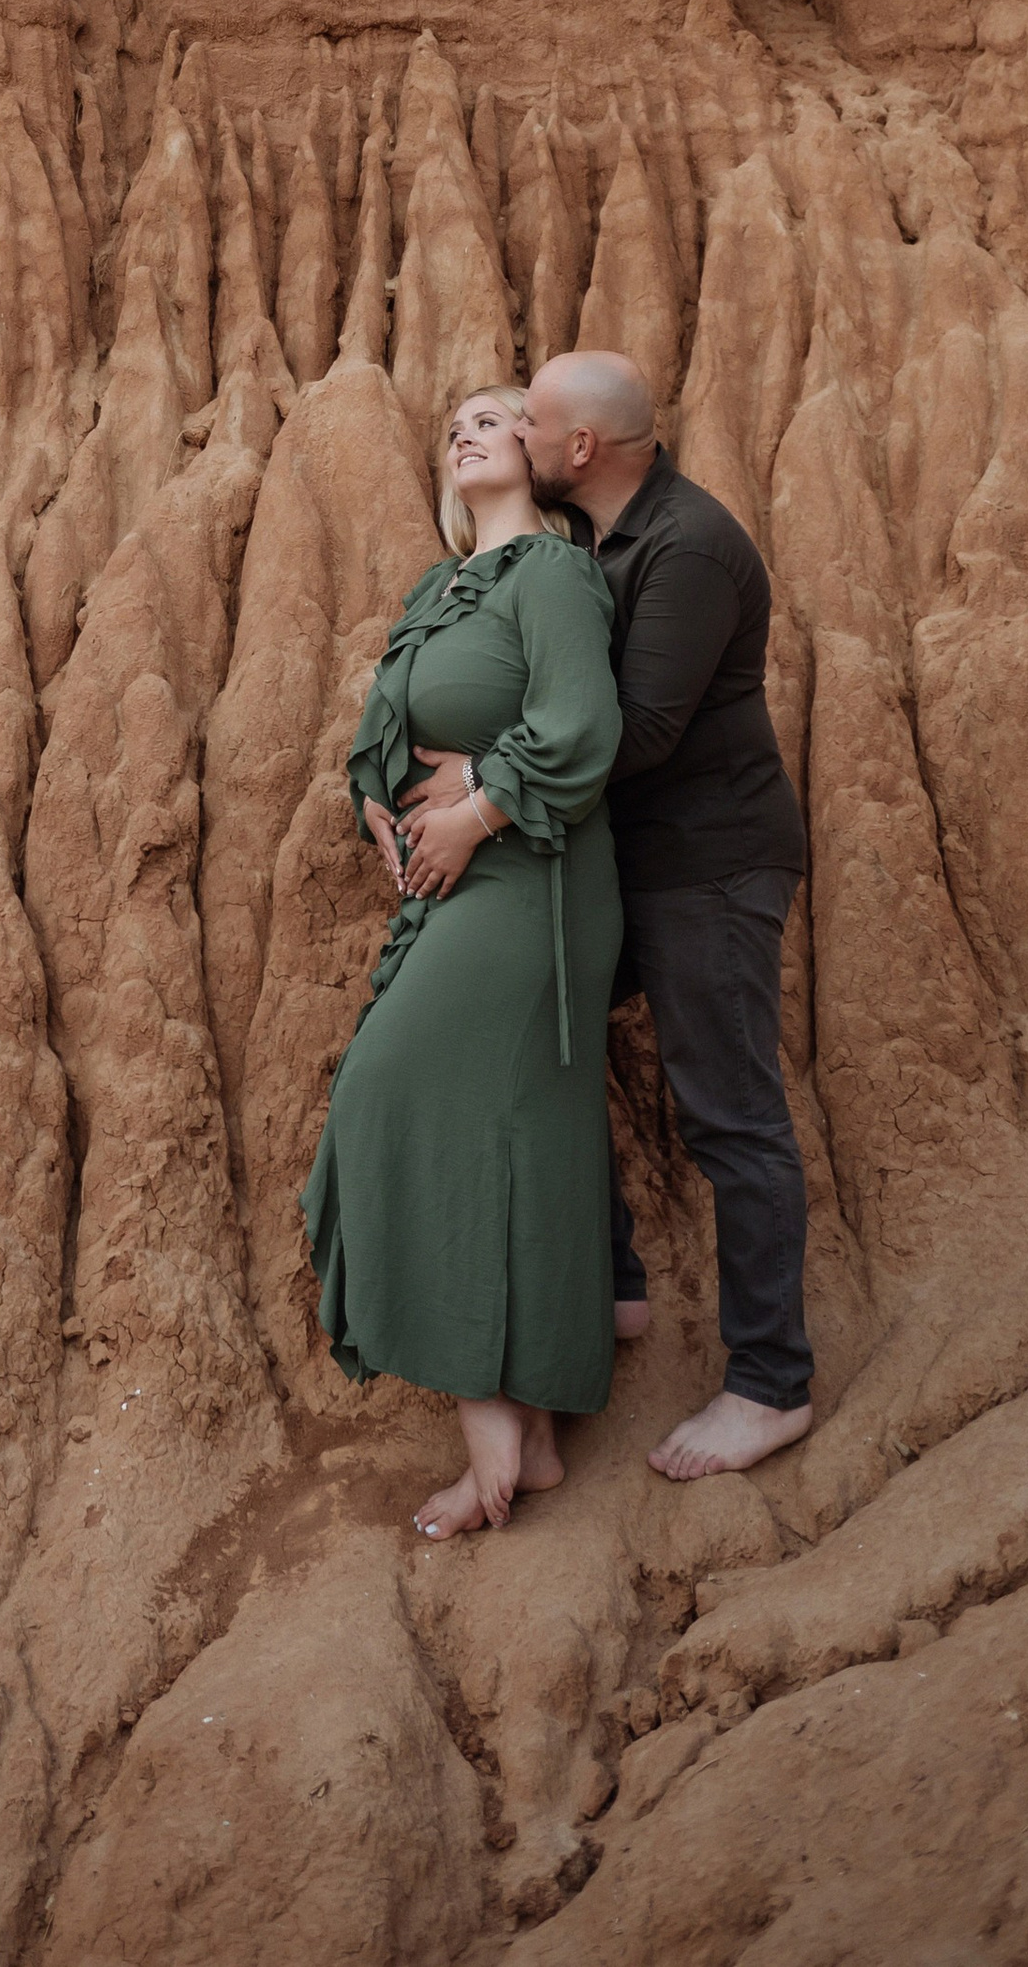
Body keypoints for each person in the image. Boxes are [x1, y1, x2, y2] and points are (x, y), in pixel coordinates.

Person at [412, 349, 814, 1480]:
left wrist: (478, 781)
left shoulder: (686, 547)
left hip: (708, 867)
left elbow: (628, 731)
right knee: (546, 1041)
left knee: (729, 1114)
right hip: (622, 863)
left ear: (578, 448)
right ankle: (615, 1283)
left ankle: (771, 1384)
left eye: (529, 423)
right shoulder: (593, 539)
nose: (514, 433)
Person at [302, 388, 626, 1539]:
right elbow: (382, 731)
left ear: (539, 450)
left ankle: (492, 1433)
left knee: (390, 1092)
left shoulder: (552, 573)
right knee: (502, 1143)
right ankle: (527, 1436)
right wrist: (376, 804)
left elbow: (583, 725)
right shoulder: (437, 590)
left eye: (496, 415)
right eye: (456, 423)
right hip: (447, 885)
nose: (468, 429)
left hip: (531, 876)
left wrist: (475, 813)